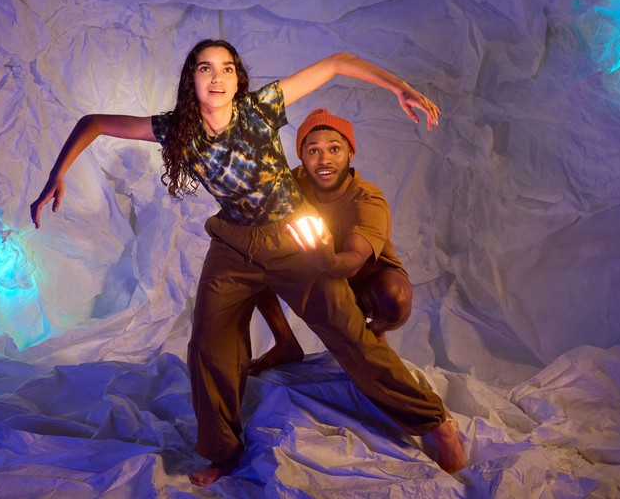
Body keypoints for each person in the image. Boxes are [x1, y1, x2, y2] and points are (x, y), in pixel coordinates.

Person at [29, 39, 465, 486]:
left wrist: (399, 86)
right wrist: (56, 174)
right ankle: (222, 451)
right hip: (235, 244)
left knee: (350, 337)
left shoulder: (259, 109)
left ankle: (436, 423)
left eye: (226, 69)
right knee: (208, 345)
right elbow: (95, 122)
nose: (216, 77)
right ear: (191, 79)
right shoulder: (176, 128)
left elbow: (336, 62)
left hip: (292, 238)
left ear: (238, 80)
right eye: (205, 68)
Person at [248, 108, 414, 377]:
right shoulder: (293, 183)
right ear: (301, 156)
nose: (324, 160)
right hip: (316, 271)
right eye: (313, 151)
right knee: (248, 255)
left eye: (335, 149)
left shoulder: (368, 199)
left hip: (364, 279)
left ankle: (374, 334)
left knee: (395, 298)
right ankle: (285, 342)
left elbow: (353, 261)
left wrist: (327, 259)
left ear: (351, 153)